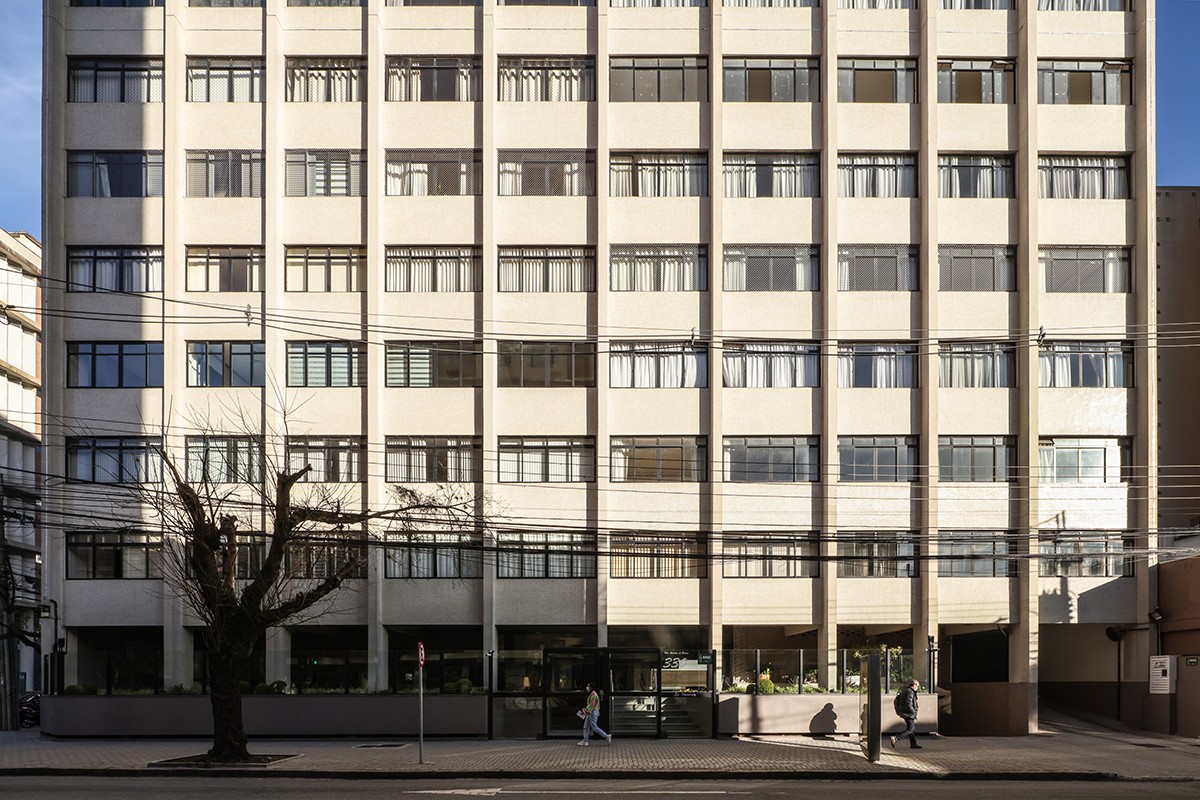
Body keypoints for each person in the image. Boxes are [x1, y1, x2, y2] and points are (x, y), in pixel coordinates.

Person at [889, 678, 923, 749]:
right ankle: (896, 738)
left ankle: (913, 743)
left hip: (906, 712)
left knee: (912, 729)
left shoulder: (906, 690)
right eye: (917, 686)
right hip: (908, 713)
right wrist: (913, 711)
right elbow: (909, 703)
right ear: (914, 685)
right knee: (910, 729)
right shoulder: (910, 692)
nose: (917, 687)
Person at [578, 681, 612, 746]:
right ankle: (585, 740)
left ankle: (606, 736)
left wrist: (585, 710)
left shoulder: (593, 695)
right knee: (586, 726)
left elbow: (592, 705)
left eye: (588, 686)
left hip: (592, 712)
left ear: (591, 687)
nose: (587, 687)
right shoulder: (592, 694)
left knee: (594, 726)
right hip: (591, 712)